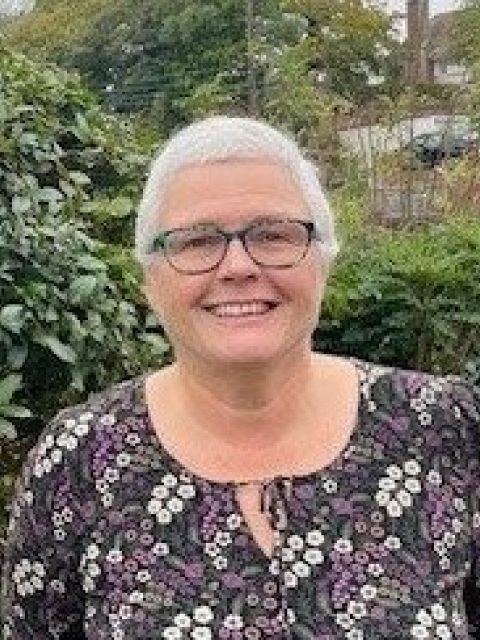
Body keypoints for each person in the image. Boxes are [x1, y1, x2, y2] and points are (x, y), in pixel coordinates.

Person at [1, 115, 479, 640]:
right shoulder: (80, 460)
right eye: (197, 241)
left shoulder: (443, 427)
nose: (237, 266)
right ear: (150, 280)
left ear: (323, 261)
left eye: (273, 234)